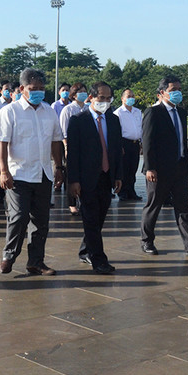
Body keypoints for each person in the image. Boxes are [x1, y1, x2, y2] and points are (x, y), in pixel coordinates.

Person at [0, 68, 65, 276]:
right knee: (19, 216)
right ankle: (9, 255)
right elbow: (1, 143)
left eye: (41, 88)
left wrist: (58, 167)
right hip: (18, 173)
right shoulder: (10, 111)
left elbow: (56, 141)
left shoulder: (49, 111)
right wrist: (3, 171)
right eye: (33, 88)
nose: (38, 92)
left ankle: (36, 262)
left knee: (41, 221)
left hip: (43, 173)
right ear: (22, 88)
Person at [140, 75, 188, 256]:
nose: (177, 93)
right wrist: (149, 167)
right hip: (159, 170)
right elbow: (147, 142)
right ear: (162, 92)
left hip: (180, 168)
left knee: (184, 207)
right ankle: (147, 241)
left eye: (179, 89)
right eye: (173, 90)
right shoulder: (153, 112)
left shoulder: (180, 112)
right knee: (154, 206)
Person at [67, 81, 123, 274]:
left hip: (106, 177)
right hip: (86, 179)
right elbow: (73, 154)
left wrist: (118, 176)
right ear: (90, 98)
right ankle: (99, 260)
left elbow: (116, 150)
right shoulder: (78, 121)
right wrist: (73, 180)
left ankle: (85, 250)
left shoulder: (113, 120)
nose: (105, 102)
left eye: (109, 98)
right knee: (90, 219)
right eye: (101, 98)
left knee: (98, 219)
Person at [59, 81, 90, 215]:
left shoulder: (88, 108)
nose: (83, 94)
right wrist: (66, 147)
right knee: (71, 175)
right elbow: (63, 131)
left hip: (87, 148)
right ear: (73, 94)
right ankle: (72, 203)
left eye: (84, 91)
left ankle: (83, 201)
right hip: (72, 146)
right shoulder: (68, 110)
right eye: (80, 92)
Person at [113, 88, 143, 201]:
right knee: (124, 169)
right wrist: (119, 146)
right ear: (122, 98)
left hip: (135, 143)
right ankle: (123, 192)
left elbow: (140, 128)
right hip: (124, 143)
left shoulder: (137, 112)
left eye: (133, 96)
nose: (131, 98)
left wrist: (142, 142)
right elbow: (116, 132)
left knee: (133, 168)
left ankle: (131, 191)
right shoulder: (118, 113)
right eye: (128, 96)